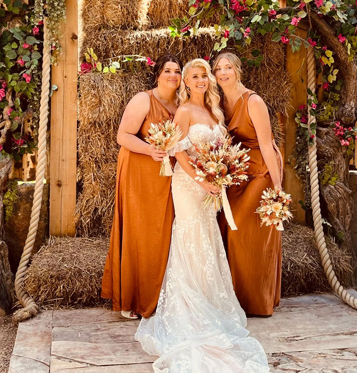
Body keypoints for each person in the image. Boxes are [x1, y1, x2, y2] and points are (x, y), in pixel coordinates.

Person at [135, 58, 270, 372]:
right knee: (191, 236)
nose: (201, 80)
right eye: (194, 76)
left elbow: (220, 151)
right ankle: (191, 309)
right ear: (186, 81)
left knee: (207, 239)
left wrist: (220, 175)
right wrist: (202, 180)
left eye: (204, 75)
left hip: (210, 185)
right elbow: (177, 151)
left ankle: (211, 302)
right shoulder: (183, 111)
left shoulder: (215, 112)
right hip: (189, 185)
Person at [101, 54, 182, 319]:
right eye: (167, 70)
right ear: (157, 74)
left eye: (177, 71)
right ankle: (131, 300)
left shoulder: (183, 104)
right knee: (140, 232)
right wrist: (150, 150)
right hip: (140, 172)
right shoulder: (143, 99)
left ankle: (160, 296)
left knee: (164, 235)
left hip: (168, 176)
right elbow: (122, 136)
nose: (173, 75)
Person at [214, 52, 284, 317]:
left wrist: (277, 187)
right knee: (223, 225)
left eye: (228, 67)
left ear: (238, 70)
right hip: (238, 170)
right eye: (218, 68)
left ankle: (254, 300)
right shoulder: (218, 101)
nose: (223, 73)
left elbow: (267, 145)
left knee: (240, 228)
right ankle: (231, 298)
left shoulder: (253, 101)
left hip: (262, 169)